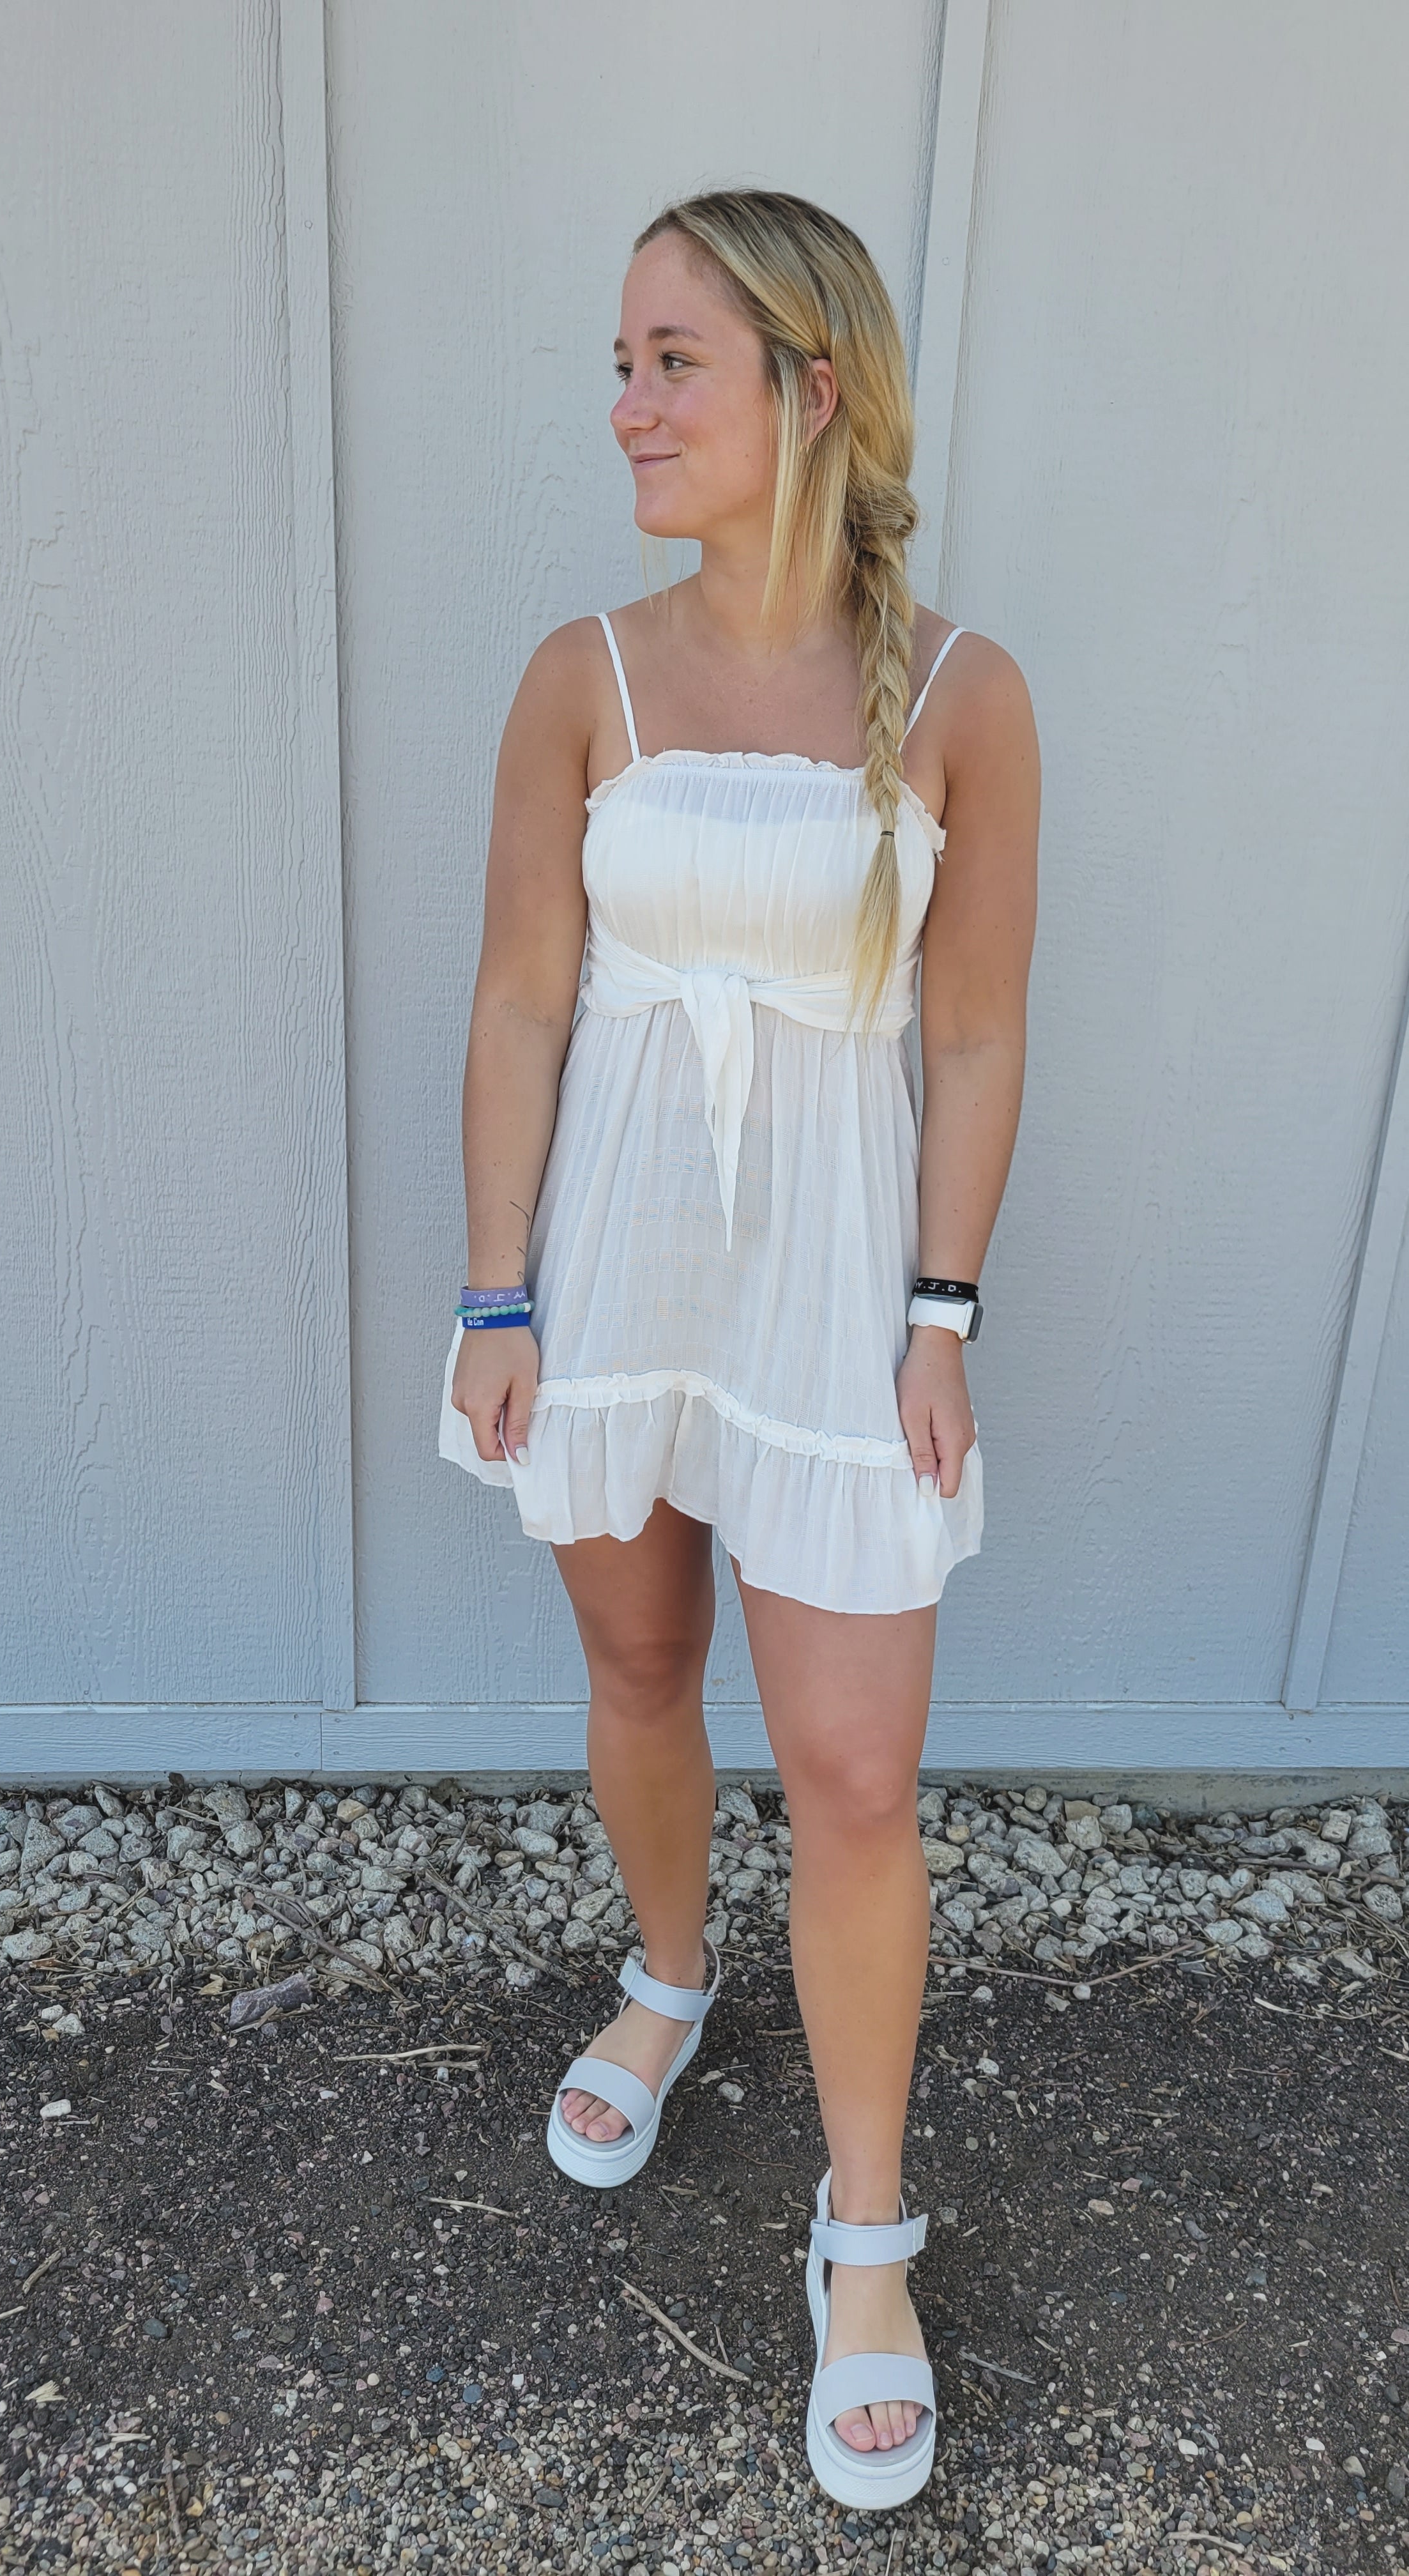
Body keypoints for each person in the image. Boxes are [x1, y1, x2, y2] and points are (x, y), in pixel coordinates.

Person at [439, 188, 1039, 2510]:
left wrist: (940, 1315)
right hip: (613, 1271)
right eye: (620, 361)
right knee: (634, 1661)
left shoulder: (962, 692)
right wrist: (497, 1291)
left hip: (834, 1289)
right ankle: (670, 1977)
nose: (626, 405)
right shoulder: (578, 675)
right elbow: (521, 998)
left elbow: (969, 1036)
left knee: (859, 1770)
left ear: (813, 386)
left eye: (670, 361)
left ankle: (862, 2234)